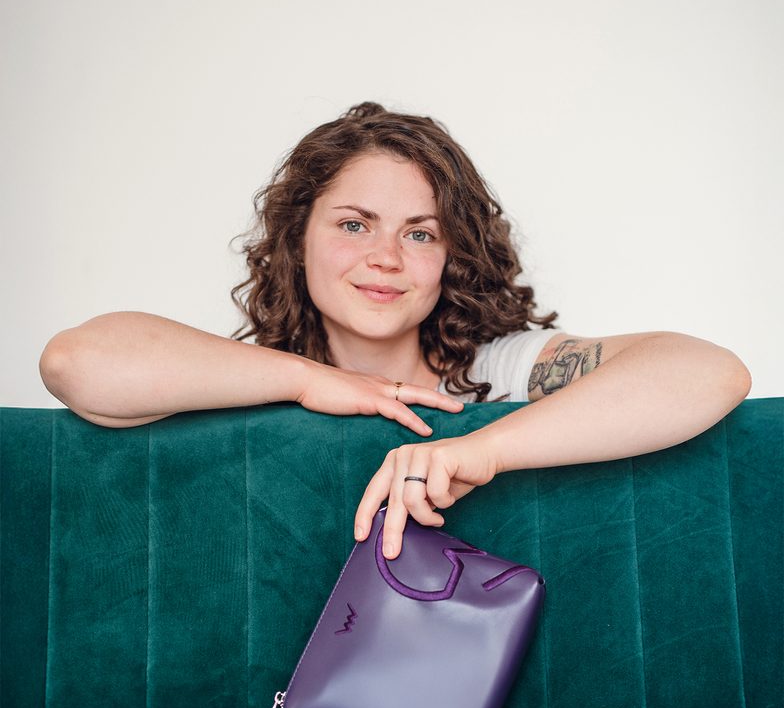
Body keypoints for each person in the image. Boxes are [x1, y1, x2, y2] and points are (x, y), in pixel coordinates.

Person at [39, 101, 752, 561]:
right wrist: (307, 379)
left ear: (450, 257)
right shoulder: (250, 381)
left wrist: (480, 450)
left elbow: (709, 373)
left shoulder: (499, 369)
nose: (385, 258)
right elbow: (75, 362)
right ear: (297, 239)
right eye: (355, 225)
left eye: (419, 233)